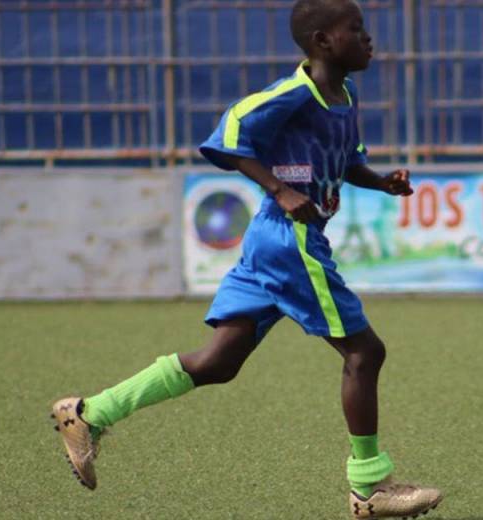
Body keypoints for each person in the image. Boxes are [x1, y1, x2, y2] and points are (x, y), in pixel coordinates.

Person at [50, 1, 442, 517]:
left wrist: (382, 182)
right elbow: (229, 134)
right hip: (290, 240)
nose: (368, 38)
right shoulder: (293, 92)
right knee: (365, 353)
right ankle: (369, 488)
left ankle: (89, 413)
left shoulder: (343, 95)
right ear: (323, 41)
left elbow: (347, 162)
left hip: (274, 241)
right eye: (357, 29)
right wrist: (279, 189)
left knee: (219, 362)